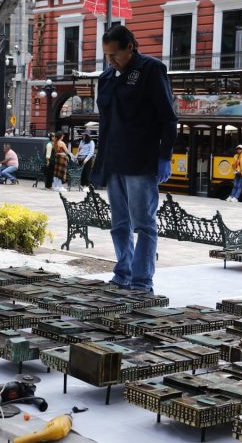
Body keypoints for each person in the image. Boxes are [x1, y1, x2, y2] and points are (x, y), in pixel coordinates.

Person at [90, 25, 178, 294]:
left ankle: (142, 281)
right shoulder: (107, 77)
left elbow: (169, 117)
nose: (111, 60)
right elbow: (105, 123)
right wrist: (100, 161)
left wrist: (164, 156)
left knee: (143, 224)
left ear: (130, 47)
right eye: (107, 55)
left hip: (141, 159)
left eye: (115, 54)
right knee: (119, 225)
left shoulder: (152, 69)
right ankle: (123, 272)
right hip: (114, 159)